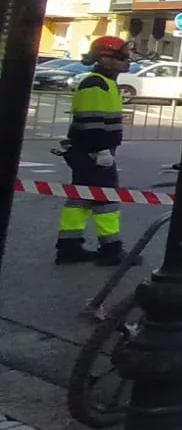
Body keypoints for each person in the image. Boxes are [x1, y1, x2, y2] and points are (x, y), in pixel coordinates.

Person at [55, 36, 135, 266]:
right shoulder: (96, 83)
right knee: (106, 201)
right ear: (104, 58)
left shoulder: (104, 82)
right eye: (122, 57)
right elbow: (92, 122)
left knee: (79, 201)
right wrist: (101, 150)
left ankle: (69, 247)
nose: (127, 61)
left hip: (87, 152)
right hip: (92, 152)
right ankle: (111, 249)